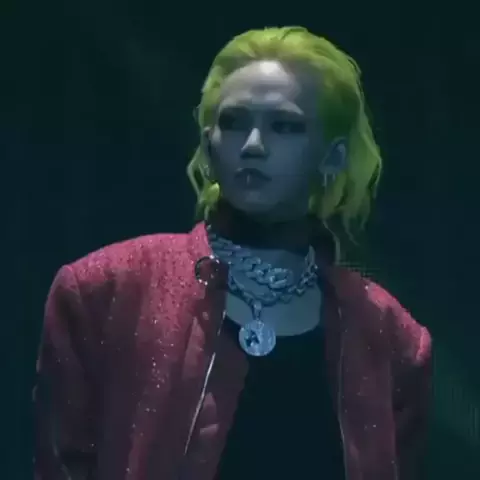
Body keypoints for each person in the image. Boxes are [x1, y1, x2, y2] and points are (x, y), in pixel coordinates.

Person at [34, 26, 432, 480]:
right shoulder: (105, 290)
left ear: (334, 156)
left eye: (284, 126)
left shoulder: (389, 336)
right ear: (208, 144)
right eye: (234, 122)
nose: (253, 145)